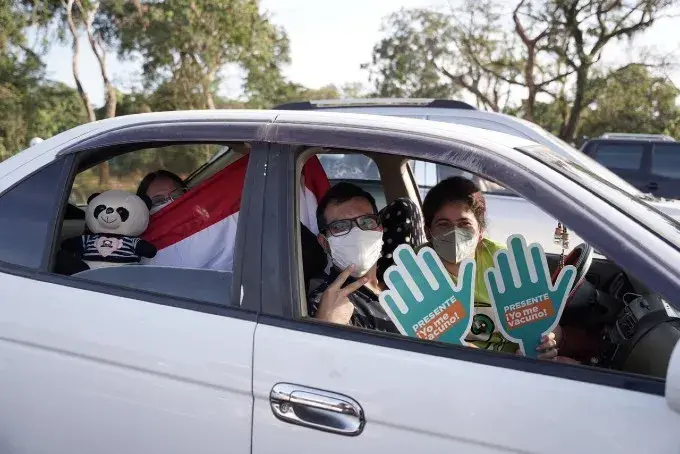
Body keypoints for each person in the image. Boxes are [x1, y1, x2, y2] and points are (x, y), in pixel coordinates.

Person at [421, 176, 560, 358]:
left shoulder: (505, 262)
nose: (454, 232)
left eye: (464, 224)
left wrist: (542, 345)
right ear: (428, 232)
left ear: (481, 231)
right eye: (443, 224)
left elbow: (550, 325)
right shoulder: (414, 270)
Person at [307, 182, 399, 333]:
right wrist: (327, 326)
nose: (357, 233)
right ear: (324, 242)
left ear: (380, 228)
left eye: (367, 221)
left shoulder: (404, 283)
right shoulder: (327, 303)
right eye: (340, 226)